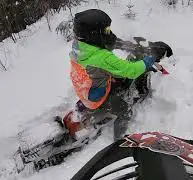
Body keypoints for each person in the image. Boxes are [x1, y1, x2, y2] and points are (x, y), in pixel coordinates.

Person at [68, 9, 172, 140]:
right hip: (97, 97)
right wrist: (150, 59)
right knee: (124, 110)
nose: (109, 32)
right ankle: (118, 141)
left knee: (116, 76)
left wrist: (125, 45)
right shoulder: (102, 58)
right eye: (105, 30)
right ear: (94, 34)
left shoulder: (81, 45)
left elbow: (110, 43)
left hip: (87, 84)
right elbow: (131, 70)